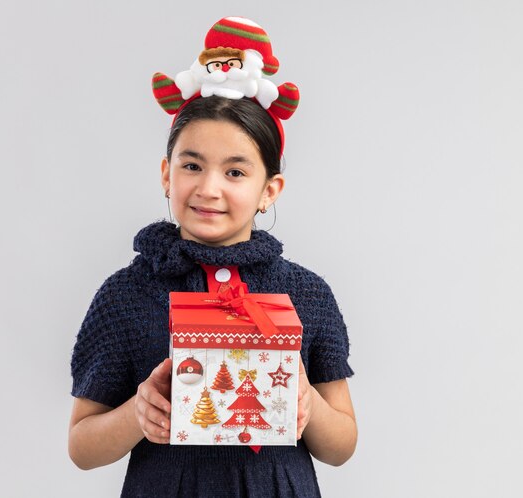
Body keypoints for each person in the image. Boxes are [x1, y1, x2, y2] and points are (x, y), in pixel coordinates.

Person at [69, 17, 356, 498]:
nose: (208, 188)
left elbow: (342, 445)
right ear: (166, 174)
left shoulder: (307, 294)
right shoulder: (125, 294)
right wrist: (136, 415)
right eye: (192, 165)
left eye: (236, 172)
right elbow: (81, 445)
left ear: (270, 190)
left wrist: (306, 403)